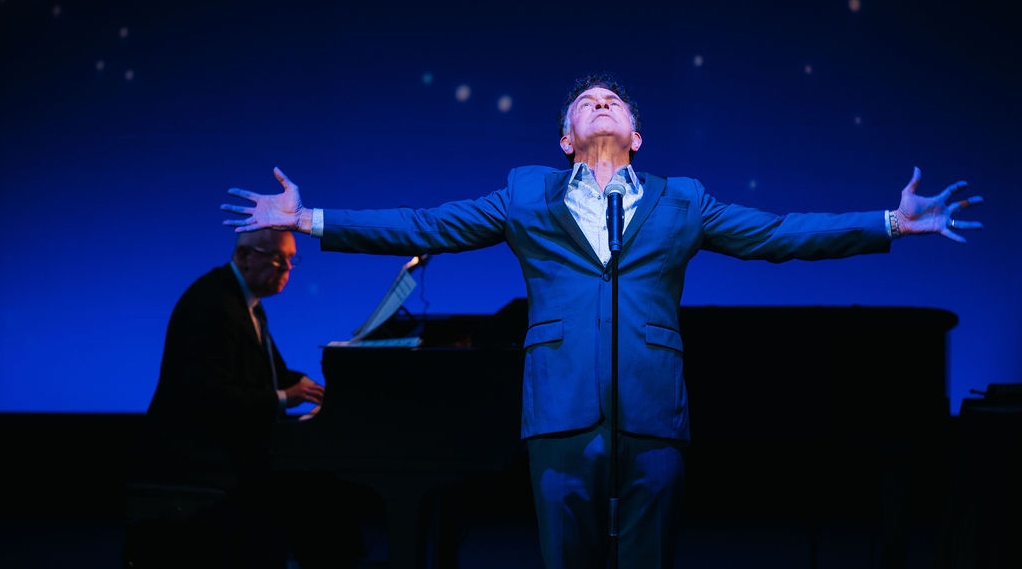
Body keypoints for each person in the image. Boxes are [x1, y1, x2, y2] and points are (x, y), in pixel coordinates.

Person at [221, 74, 983, 568]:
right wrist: (312, 218)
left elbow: (781, 234)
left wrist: (890, 222)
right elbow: (428, 222)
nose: (601, 100)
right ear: (565, 139)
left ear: (637, 135)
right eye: (585, 101)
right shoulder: (525, 194)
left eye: (614, 99)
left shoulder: (683, 200)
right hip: (559, 410)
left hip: (653, 409)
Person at [146, 229, 351, 569]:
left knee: (316, 481)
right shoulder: (212, 304)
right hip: (195, 451)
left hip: (226, 441)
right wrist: (286, 397)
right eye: (278, 259)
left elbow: (271, 371)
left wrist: (311, 388)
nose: (286, 269)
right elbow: (209, 397)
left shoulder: (246, 300)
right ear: (244, 256)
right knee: (308, 488)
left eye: (291, 259)